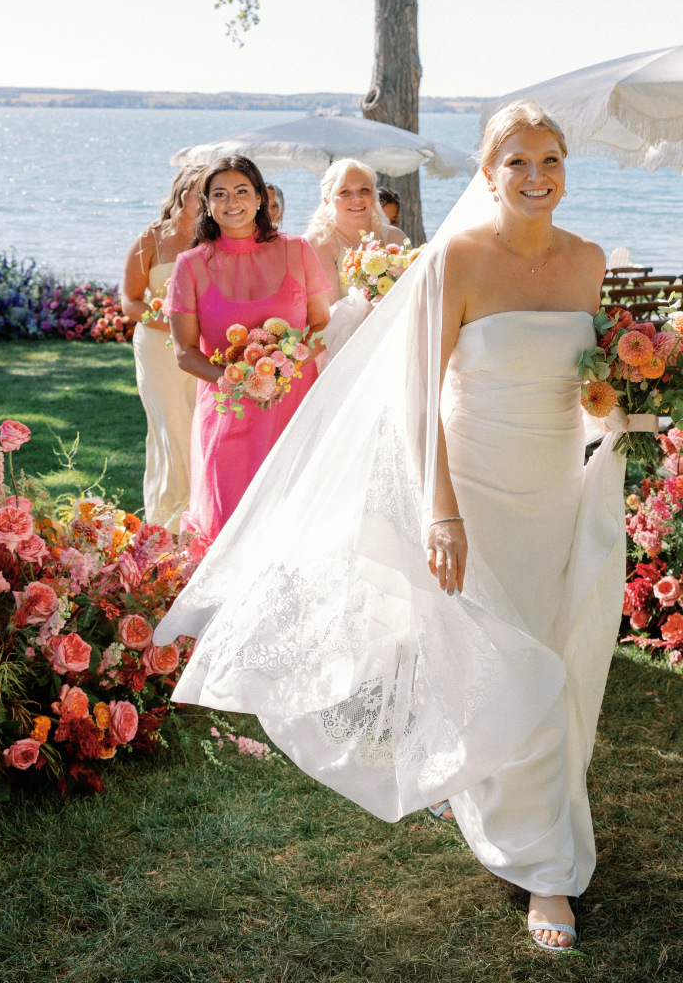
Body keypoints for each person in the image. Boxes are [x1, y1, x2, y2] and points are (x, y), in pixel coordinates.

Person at [154, 102, 647, 955]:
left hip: (557, 490)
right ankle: (548, 870)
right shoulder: (456, 259)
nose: (537, 176)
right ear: (489, 175)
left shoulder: (589, 261)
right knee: (516, 662)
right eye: (518, 162)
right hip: (477, 493)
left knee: (556, 661)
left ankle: (521, 816)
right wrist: (440, 508)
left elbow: (585, 379)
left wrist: (633, 407)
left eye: (552, 159)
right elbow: (418, 399)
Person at [165, 155, 330, 545]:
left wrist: (283, 367)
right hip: (229, 409)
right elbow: (185, 352)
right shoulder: (190, 265)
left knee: (293, 519)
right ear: (207, 204)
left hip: (294, 408)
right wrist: (238, 381)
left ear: (260, 198)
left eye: (241, 191)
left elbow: (321, 325)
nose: (231, 201)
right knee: (230, 523)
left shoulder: (298, 250)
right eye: (219, 194)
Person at [121, 166, 202, 533]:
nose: (202, 201)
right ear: (180, 192)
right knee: (171, 428)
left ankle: (202, 515)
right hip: (158, 347)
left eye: (210, 193)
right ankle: (167, 523)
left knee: (201, 426)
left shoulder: (215, 240)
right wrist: (172, 319)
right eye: (195, 192)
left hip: (204, 349)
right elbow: (130, 301)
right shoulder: (150, 240)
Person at [306, 158, 406, 304]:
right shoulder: (317, 244)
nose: (357, 198)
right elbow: (328, 314)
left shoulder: (396, 237)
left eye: (365, 190)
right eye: (345, 192)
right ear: (327, 199)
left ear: (374, 196)